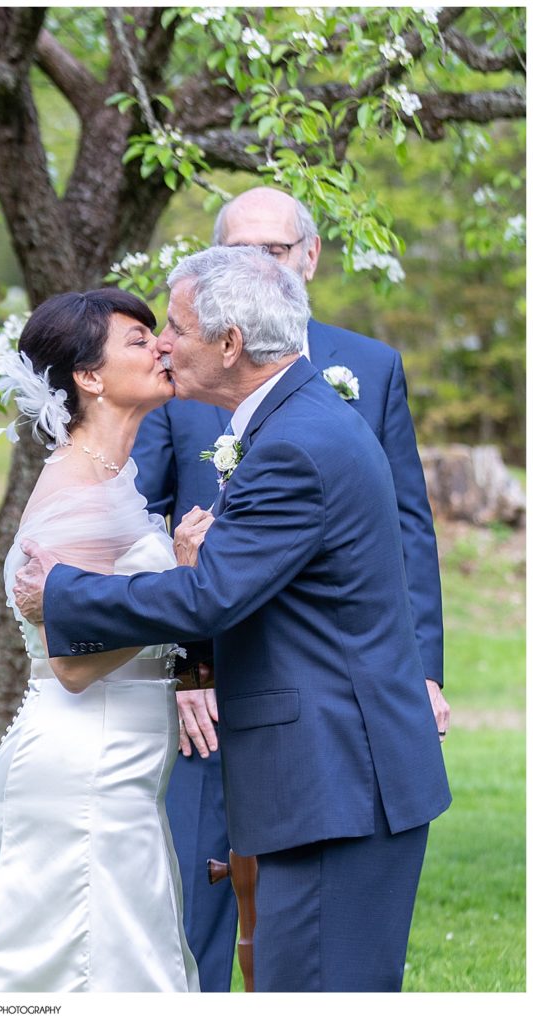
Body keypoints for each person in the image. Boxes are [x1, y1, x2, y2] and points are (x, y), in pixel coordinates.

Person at [15, 247, 452, 992]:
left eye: (175, 328)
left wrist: (62, 595)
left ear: (228, 344)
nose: (162, 344)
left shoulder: (293, 446)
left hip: (336, 784)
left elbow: (207, 596)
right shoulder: (301, 419)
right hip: (334, 776)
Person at [132, 185, 450, 990]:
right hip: (213, 693)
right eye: (238, 250)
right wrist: (185, 672)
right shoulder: (178, 386)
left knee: (305, 962)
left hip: (325, 722)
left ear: (306, 257)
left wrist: (421, 670)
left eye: (271, 250)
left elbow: (399, 533)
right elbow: (140, 520)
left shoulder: (356, 374)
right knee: (201, 914)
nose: (257, 263)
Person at [0, 289, 199, 992]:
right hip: (84, 764)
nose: (159, 347)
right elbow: (72, 663)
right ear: (88, 378)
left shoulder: (114, 481)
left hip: (118, 766)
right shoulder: (76, 494)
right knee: (87, 969)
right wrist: (179, 584)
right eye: (136, 339)